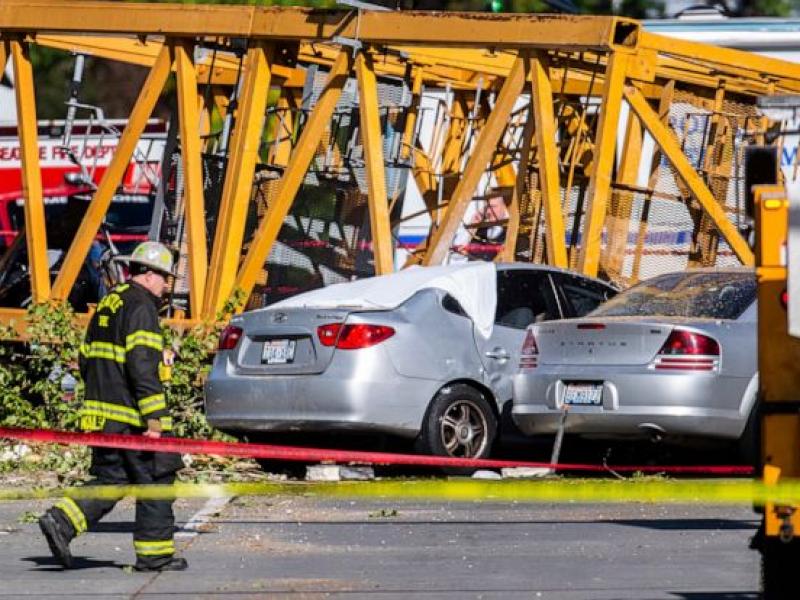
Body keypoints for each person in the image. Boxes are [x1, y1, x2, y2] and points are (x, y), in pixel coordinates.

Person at [38, 241, 187, 572]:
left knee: (113, 478)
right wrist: (154, 420)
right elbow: (141, 367)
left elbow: (85, 358)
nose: (166, 287)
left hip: (102, 414)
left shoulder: (109, 304)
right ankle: (155, 555)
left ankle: (61, 521)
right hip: (131, 416)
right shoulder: (141, 308)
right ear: (148, 275)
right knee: (157, 479)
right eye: (164, 278)